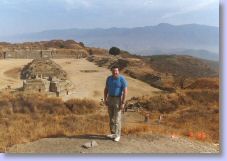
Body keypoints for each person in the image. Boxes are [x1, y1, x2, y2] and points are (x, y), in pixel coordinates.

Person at [104, 65, 128, 142]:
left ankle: (118, 135)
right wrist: (105, 99)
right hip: (110, 98)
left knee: (117, 118)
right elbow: (106, 89)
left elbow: (125, 91)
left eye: (116, 71)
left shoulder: (122, 79)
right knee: (111, 118)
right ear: (111, 71)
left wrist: (123, 102)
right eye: (114, 71)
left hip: (118, 99)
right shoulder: (109, 78)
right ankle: (113, 133)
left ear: (118, 71)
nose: (115, 72)